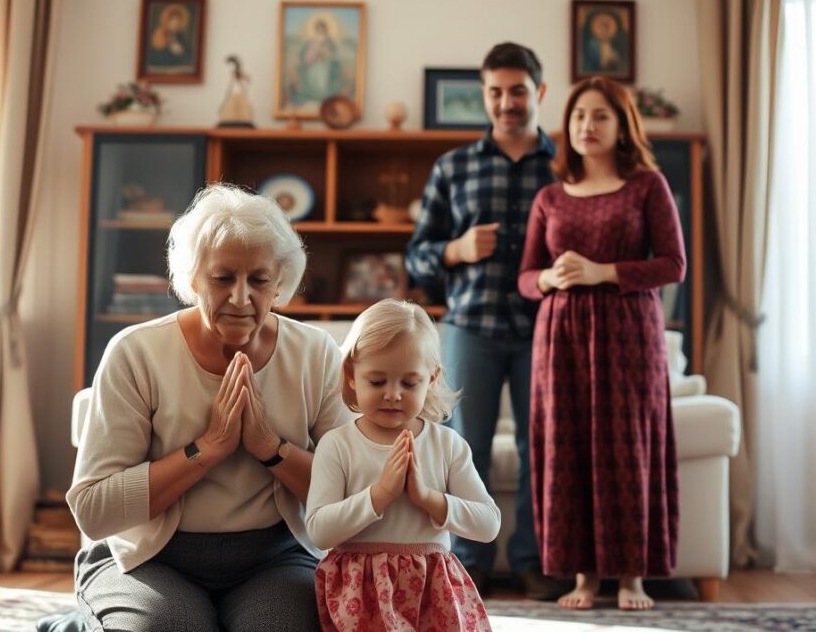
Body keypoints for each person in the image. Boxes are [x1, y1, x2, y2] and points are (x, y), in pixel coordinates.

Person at [66, 184, 353, 631]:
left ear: (279, 283)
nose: (241, 298)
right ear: (194, 279)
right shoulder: (136, 352)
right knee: (174, 627)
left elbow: (354, 490)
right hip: (148, 557)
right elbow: (93, 508)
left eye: (259, 280)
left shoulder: (315, 353)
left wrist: (270, 449)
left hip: (274, 557)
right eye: (223, 279)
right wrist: (207, 450)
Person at [405, 42, 565, 601]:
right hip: (470, 326)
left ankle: (533, 562)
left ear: (539, 93)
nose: (506, 102)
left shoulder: (565, 166)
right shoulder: (453, 166)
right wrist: (456, 249)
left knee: (538, 448)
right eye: (495, 92)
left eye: (517, 91)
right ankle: (467, 564)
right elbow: (416, 257)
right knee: (460, 448)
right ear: (485, 96)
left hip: (546, 330)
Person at [518, 77, 685, 611]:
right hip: (561, 339)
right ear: (566, 127)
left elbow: (673, 264)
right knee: (568, 449)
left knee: (627, 446)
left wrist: (600, 270)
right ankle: (584, 578)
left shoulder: (647, 186)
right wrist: (549, 280)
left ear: (622, 126)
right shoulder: (549, 195)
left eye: (600, 116)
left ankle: (632, 577)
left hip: (629, 335)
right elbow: (525, 276)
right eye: (578, 116)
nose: (587, 126)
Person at [306, 299, 500, 631]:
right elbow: (319, 531)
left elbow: (488, 524)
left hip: (433, 590)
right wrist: (379, 495)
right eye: (378, 381)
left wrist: (428, 499)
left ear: (432, 379)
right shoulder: (337, 445)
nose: (393, 394)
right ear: (351, 375)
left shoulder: (447, 444)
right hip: (361, 593)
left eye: (409, 384)